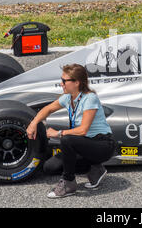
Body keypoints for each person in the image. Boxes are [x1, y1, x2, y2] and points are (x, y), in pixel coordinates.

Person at [26, 64, 116, 198]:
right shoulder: (67, 97)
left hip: (102, 144)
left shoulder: (89, 98)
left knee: (67, 139)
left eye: (64, 81)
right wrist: (33, 123)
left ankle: (69, 184)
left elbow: (83, 130)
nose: (61, 84)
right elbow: (48, 109)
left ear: (76, 83)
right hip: (84, 144)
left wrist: (58, 133)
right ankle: (94, 169)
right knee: (50, 167)